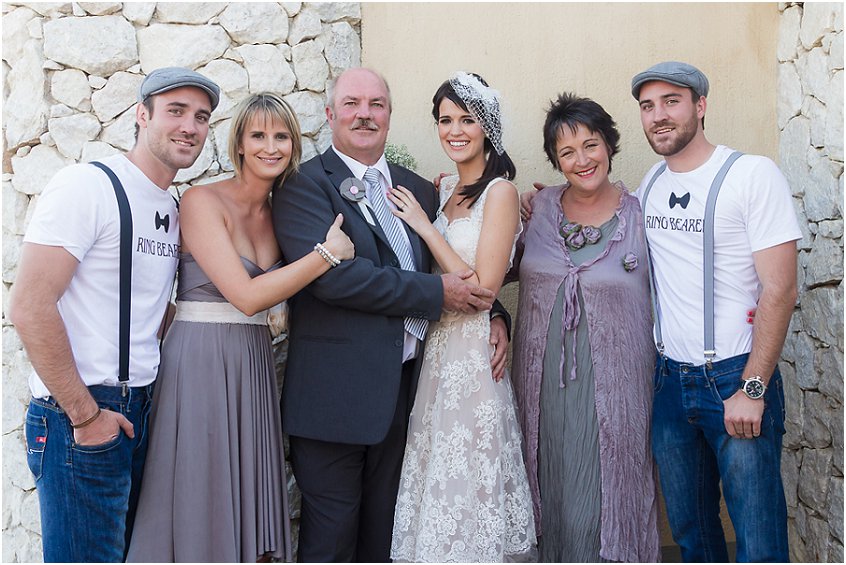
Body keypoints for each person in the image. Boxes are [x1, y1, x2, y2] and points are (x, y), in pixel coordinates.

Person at [271, 67, 512, 562]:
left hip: (411, 395)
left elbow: (454, 263)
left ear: (389, 114)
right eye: (352, 104)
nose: (365, 114)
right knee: (332, 539)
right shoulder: (303, 185)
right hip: (335, 400)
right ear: (330, 114)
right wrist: (438, 293)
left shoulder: (420, 189)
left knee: (388, 538)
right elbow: (335, 279)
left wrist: (495, 315)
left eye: (376, 104)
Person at [125, 93, 353, 562]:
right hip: (200, 360)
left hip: (253, 359)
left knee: (246, 489)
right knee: (197, 485)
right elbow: (246, 297)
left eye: (282, 136)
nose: (271, 146)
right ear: (240, 145)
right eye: (258, 135)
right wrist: (327, 254)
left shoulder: (282, 214)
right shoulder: (201, 201)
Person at [8, 67, 220, 562]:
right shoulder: (88, 185)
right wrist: (85, 416)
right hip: (83, 414)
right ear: (141, 115)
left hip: (140, 410)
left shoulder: (172, 206)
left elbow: (154, 308)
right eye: (175, 111)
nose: (189, 126)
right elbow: (29, 305)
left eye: (201, 117)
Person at [631, 61, 799, 562]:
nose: (658, 116)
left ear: (700, 106)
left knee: (758, 539)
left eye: (671, 101)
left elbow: (780, 290)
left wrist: (753, 388)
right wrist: (544, 204)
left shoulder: (752, 174)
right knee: (692, 536)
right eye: (647, 106)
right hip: (669, 382)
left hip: (735, 376)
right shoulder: (651, 182)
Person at [387, 72, 536, 562]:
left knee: (472, 475)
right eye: (445, 120)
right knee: (439, 479)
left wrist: (425, 228)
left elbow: (483, 288)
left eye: (467, 119)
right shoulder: (446, 187)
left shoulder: (502, 193)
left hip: (474, 359)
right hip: (437, 354)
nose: (455, 130)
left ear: (487, 125)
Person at [507, 93, 660, 562]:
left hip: (619, 391)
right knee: (547, 477)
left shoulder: (642, 215)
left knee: (608, 490)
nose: (582, 160)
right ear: (555, 160)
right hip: (542, 389)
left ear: (609, 145)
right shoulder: (536, 210)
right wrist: (452, 193)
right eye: (567, 152)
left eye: (591, 145)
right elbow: (487, 266)